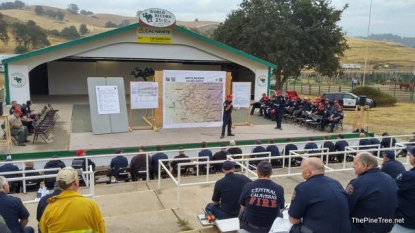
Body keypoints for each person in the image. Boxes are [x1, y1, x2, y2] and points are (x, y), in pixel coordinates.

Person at [289, 158, 351, 233]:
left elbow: (294, 220)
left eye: (302, 169)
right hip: (345, 229)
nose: (301, 171)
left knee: (291, 227)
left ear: (308, 172)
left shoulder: (302, 188)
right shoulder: (336, 183)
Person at [39, 167, 105, 233]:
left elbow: (43, 229)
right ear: (76, 182)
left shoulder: (49, 209)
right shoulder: (91, 205)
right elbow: (101, 229)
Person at [346, 152, 397, 233]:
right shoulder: (389, 178)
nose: (353, 166)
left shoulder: (358, 183)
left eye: (355, 164)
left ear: (365, 165)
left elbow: (347, 206)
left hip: (365, 228)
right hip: (386, 226)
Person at [239, 161, 285, 233]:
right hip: (270, 227)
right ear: (271, 172)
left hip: (250, 227)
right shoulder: (279, 188)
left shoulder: (248, 186)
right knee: (281, 213)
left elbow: (243, 207)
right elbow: (281, 207)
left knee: (241, 211)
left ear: (257, 172)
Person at [392, 146, 415, 231]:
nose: (409, 157)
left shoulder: (408, 176)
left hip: (406, 221)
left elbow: (393, 189)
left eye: (410, 155)